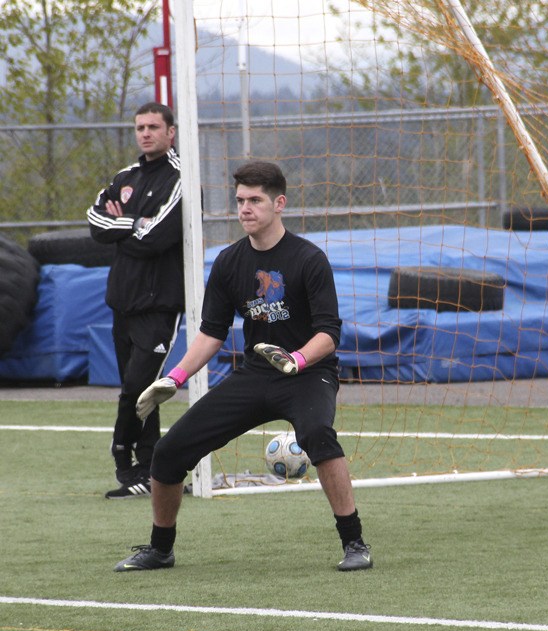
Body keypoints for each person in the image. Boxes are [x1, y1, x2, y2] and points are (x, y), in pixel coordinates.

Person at [113, 160, 373, 572]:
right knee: (168, 452)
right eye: (240, 200)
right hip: (257, 374)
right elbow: (212, 334)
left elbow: (329, 334)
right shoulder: (229, 262)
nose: (245, 208)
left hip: (308, 373)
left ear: (279, 203)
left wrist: (298, 359)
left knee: (319, 434)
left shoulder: (309, 258)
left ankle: (354, 542)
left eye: (255, 200)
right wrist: (174, 377)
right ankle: (160, 549)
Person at [87, 102, 184, 499]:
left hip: (158, 305)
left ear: (170, 132)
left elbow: (158, 236)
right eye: (140, 127)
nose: (145, 133)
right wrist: (133, 222)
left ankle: (124, 461)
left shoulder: (179, 177)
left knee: (137, 387)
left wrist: (123, 225)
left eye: (153, 127)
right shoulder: (124, 176)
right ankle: (150, 470)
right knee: (140, 392)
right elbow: (95, 222)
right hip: (122, 302)